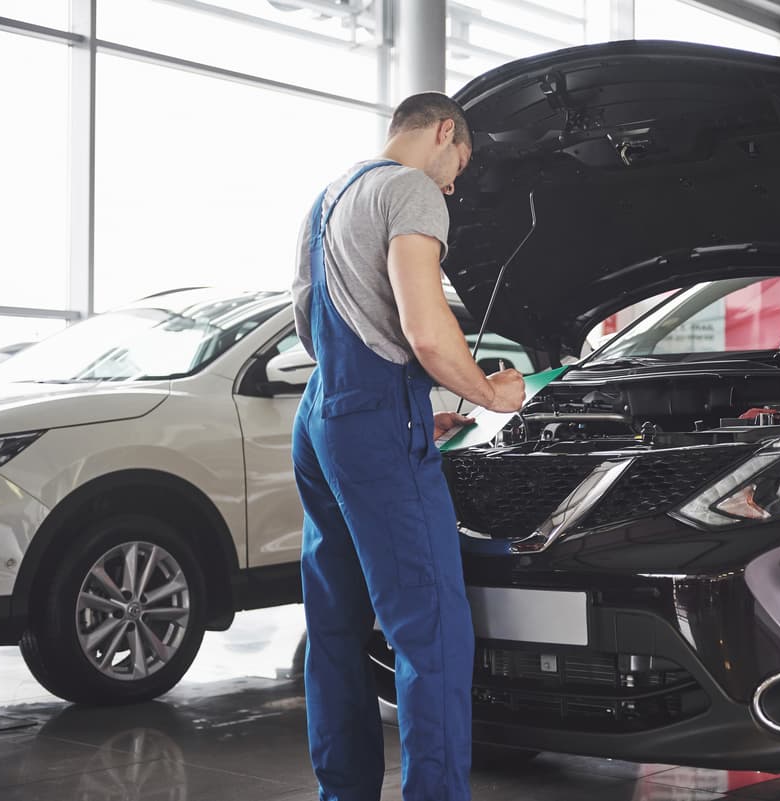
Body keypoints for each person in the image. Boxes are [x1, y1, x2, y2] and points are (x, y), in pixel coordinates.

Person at [290, 92, 526, 801]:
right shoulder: (412, 190)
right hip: (372, 424)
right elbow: (425, 330)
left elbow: (313, 321)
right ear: (444, 132)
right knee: (432, 634)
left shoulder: (329, 197)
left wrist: (412, 411)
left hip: (322, 414)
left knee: (334, 624)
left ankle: (345, 792)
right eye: (459, 164)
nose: (453, 183)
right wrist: (488, 393)